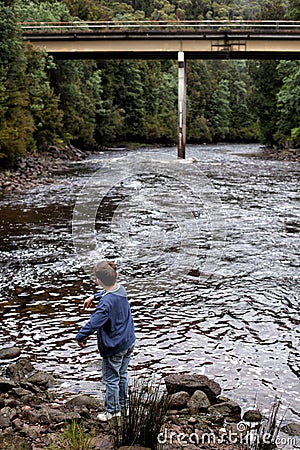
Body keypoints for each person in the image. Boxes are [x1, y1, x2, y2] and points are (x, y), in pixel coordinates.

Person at [76, 260, 135, 421]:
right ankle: (124, 407)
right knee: (122, 374)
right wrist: (93, 296)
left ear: (99, 281)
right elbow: (109, 292)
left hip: (114, 347)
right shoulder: (121, 289)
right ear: (116, 275)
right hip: (128, 342)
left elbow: (93, 323)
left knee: (111, 379)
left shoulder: (105, 304)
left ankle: (113, 412)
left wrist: (80, 336)